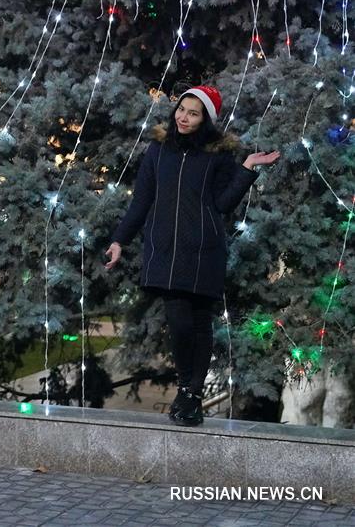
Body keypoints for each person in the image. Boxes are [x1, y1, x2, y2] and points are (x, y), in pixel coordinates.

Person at [105, 86, 280, 426]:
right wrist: (119, 241)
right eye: (181, 110)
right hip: (165, 251)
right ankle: (189, 387)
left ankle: (191, 396)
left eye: (193, 113)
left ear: (206, 120)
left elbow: (223, 205)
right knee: (180, 324)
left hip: (204, 251)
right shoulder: (157, 151)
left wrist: (247, 168)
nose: (183, 117)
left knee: (200, 325)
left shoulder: (217, 156)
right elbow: (141, 201)